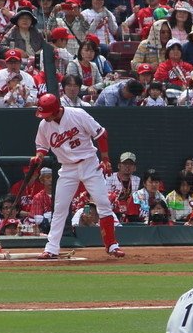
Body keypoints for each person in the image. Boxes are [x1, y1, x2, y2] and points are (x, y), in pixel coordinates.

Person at [28, 93, 125, 259]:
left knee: (103, 203)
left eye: (46, 114)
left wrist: (106, 159)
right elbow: (42, 147)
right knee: (59, 208)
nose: (44, 117)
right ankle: (51, 248)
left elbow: (101, 134)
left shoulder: (77, 114)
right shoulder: (45, 125)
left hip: (89, 163)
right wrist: (39, 157)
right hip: (67, 168)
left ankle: (112, 245)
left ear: (56, 110)